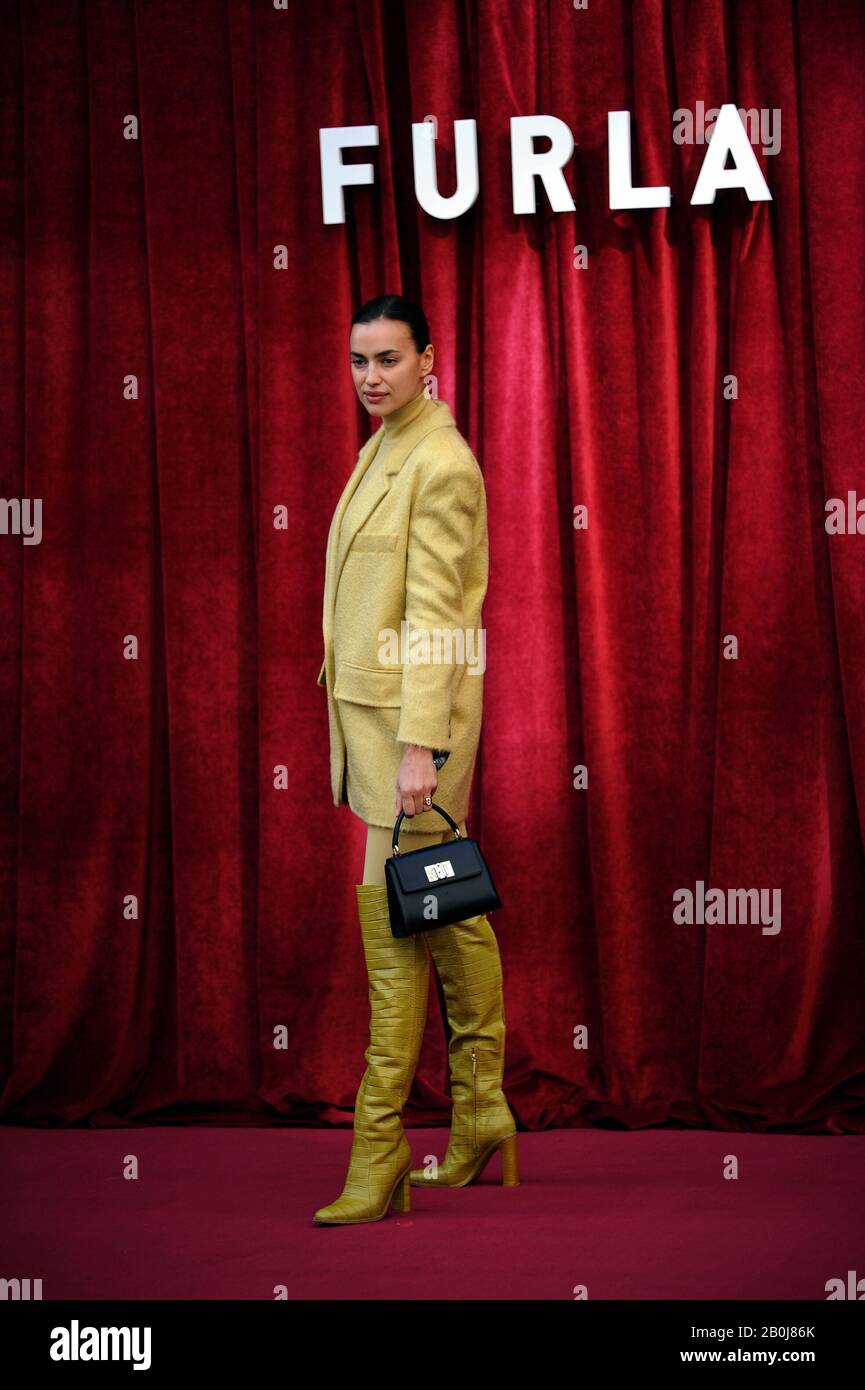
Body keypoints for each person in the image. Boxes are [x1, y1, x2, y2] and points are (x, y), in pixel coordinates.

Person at [313, 294, 518, 1226]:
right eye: (359, 360)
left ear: (428, 358)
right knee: (444, 903)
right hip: (373, 720)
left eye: (388, 360)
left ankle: (379, 1144)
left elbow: (440, 618)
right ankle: (480, 1114)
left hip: (410, 727)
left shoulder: (440, 461)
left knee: (391, 921)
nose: (370, 377)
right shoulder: (387, 442)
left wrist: (419, 749)